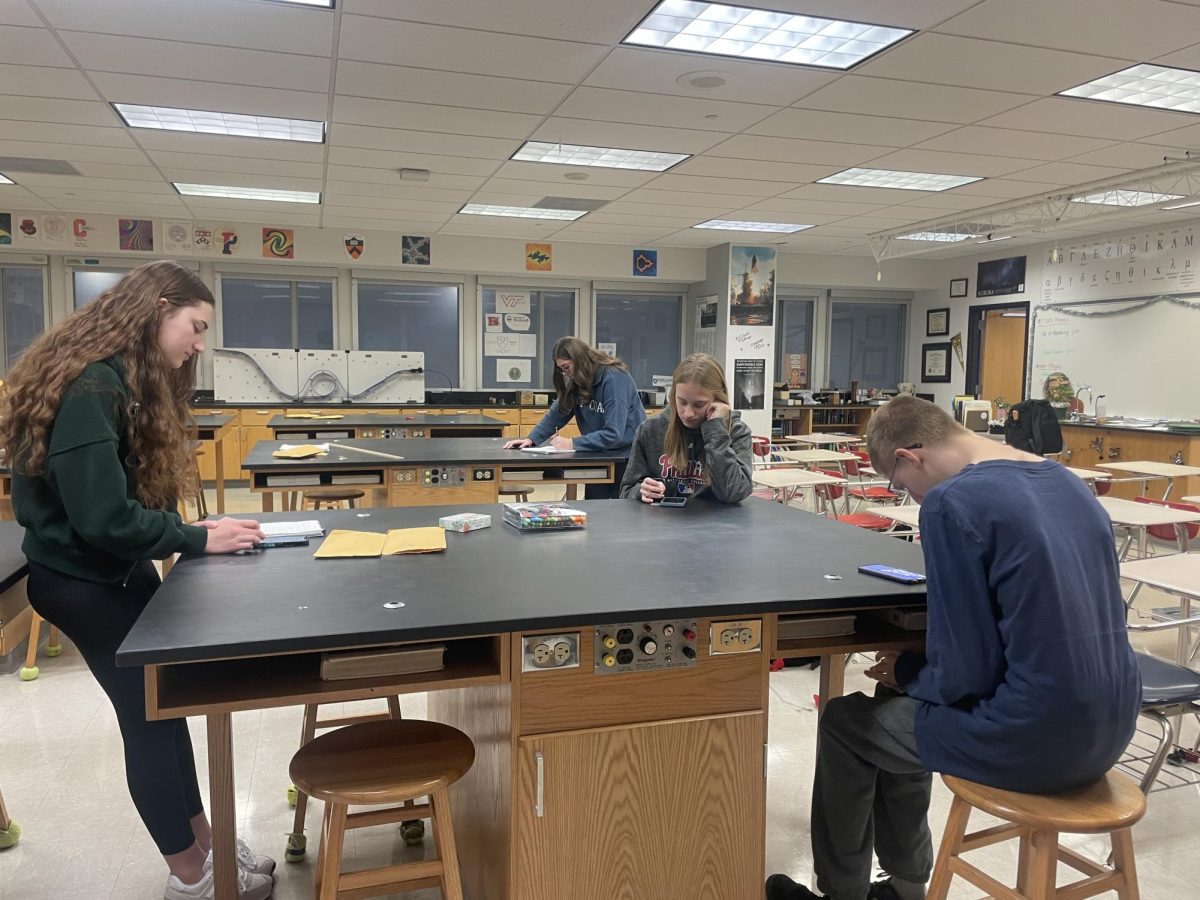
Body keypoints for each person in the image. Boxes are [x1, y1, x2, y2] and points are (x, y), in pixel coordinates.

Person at [766, 394, 1139, 900]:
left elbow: (965, 673)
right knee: (902, 710)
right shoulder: (1067, 482)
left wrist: (910, 672)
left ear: (909, 457)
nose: (914, 499)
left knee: (844, 722)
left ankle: (842, 891)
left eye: (903, 486)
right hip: (1113, 728)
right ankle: (904, 886)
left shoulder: (952, 501)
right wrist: (915, 680)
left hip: (1035, 742)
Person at [1, 261, 272, 900]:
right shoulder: (91, 386)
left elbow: (121, 506)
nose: (199, 344)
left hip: (114, 575)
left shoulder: (116, 379)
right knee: (147, 720)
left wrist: (184, 536)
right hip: (83, 584)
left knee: (167, 708)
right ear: (157, 310)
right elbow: (101, 518)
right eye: (195, 326)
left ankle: (206, 842)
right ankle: (189, 876)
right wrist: (194, 538)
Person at [503, 337, 645, 499]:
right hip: (600, 454)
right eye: (561, 369)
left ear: (580, 360)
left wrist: (572, 443)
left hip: (626, 458)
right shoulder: (579, 379)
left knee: (618, 513)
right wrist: (531, 439)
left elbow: (614, 433)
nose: (565, 373)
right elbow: (558, 413)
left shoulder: (614, 379)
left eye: (566, 367)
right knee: (595, 508)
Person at [619, 353, 753, 504]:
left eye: (699, 404)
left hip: (718, 526)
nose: (688, 413)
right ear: (673, 395)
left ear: (718, 398)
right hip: (662, 525)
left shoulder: (737, 432)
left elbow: (734, 492)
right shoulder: (650, 430)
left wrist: (716, 431)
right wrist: (640, 491)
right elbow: (626, 492)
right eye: (681, 402)